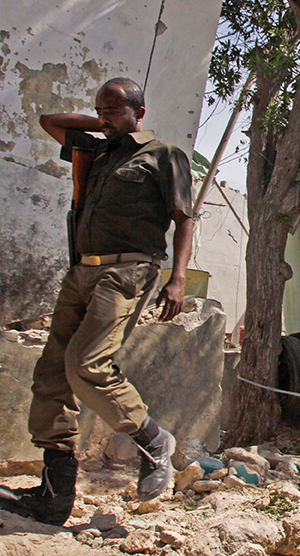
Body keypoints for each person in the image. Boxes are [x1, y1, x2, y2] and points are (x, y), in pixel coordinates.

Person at [0, 78, 195, 525]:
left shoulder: (164, 154)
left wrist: (178, 280)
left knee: (87, 364)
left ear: (139, 112)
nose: (104, 116)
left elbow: (184, 220)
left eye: (113, 109)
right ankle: (53, 497)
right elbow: (50, 122)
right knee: (51, 374)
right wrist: (105, 124)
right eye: (100, 109)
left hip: (127, 270)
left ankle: (152, 439)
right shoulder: (100, 150)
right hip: (82, 270)